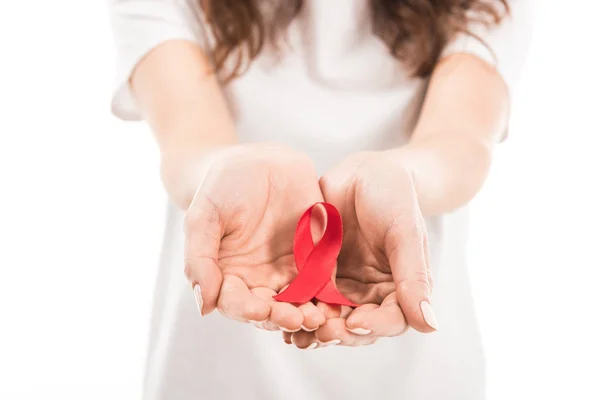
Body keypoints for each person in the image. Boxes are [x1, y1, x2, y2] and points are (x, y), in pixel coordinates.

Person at [108, 1, 534, 399]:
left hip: (415, 367)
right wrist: (221, 175)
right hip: (219, 363)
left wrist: (401, 179)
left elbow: (459, 143)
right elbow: (189, 141)